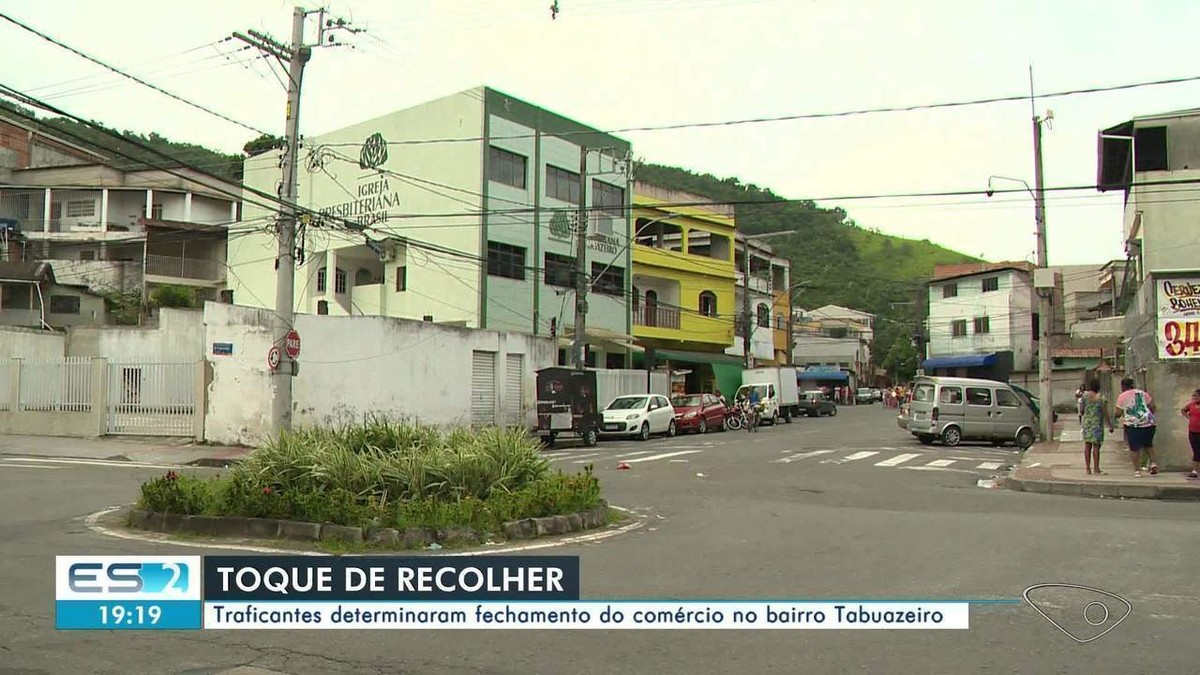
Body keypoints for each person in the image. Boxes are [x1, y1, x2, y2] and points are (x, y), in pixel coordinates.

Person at [1116, 377, 1158, 477]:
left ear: (1123, 386)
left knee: (1134, 448)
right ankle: (1153, 463)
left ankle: (1137, 470)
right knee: (1148, 444)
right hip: (1148, 423)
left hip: (1133, 424)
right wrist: (1148, 416)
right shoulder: (1142, 393)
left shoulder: (1122, 396)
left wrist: (1118, 417)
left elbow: (1117, 413)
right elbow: (1152, 406)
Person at [1080, 379, 1114, 475]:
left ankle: (1087, 468)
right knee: (1096, 446)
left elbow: (1081, 410)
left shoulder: (1085, 396)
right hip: (1097, 424)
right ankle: (1096, 468)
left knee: (1087, 445)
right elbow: (1105, 413)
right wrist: (1110, 425)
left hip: (1087, 423)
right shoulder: (1101, 398)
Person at [1181, 388, 1200, 480]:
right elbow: (1183, 410)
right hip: (1193, 431)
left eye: (1196, 396)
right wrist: (1189, 417)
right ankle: (1195, 471)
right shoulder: (1191, 405)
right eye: (1193, 396)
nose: (1194, 397)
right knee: (1196, 450)